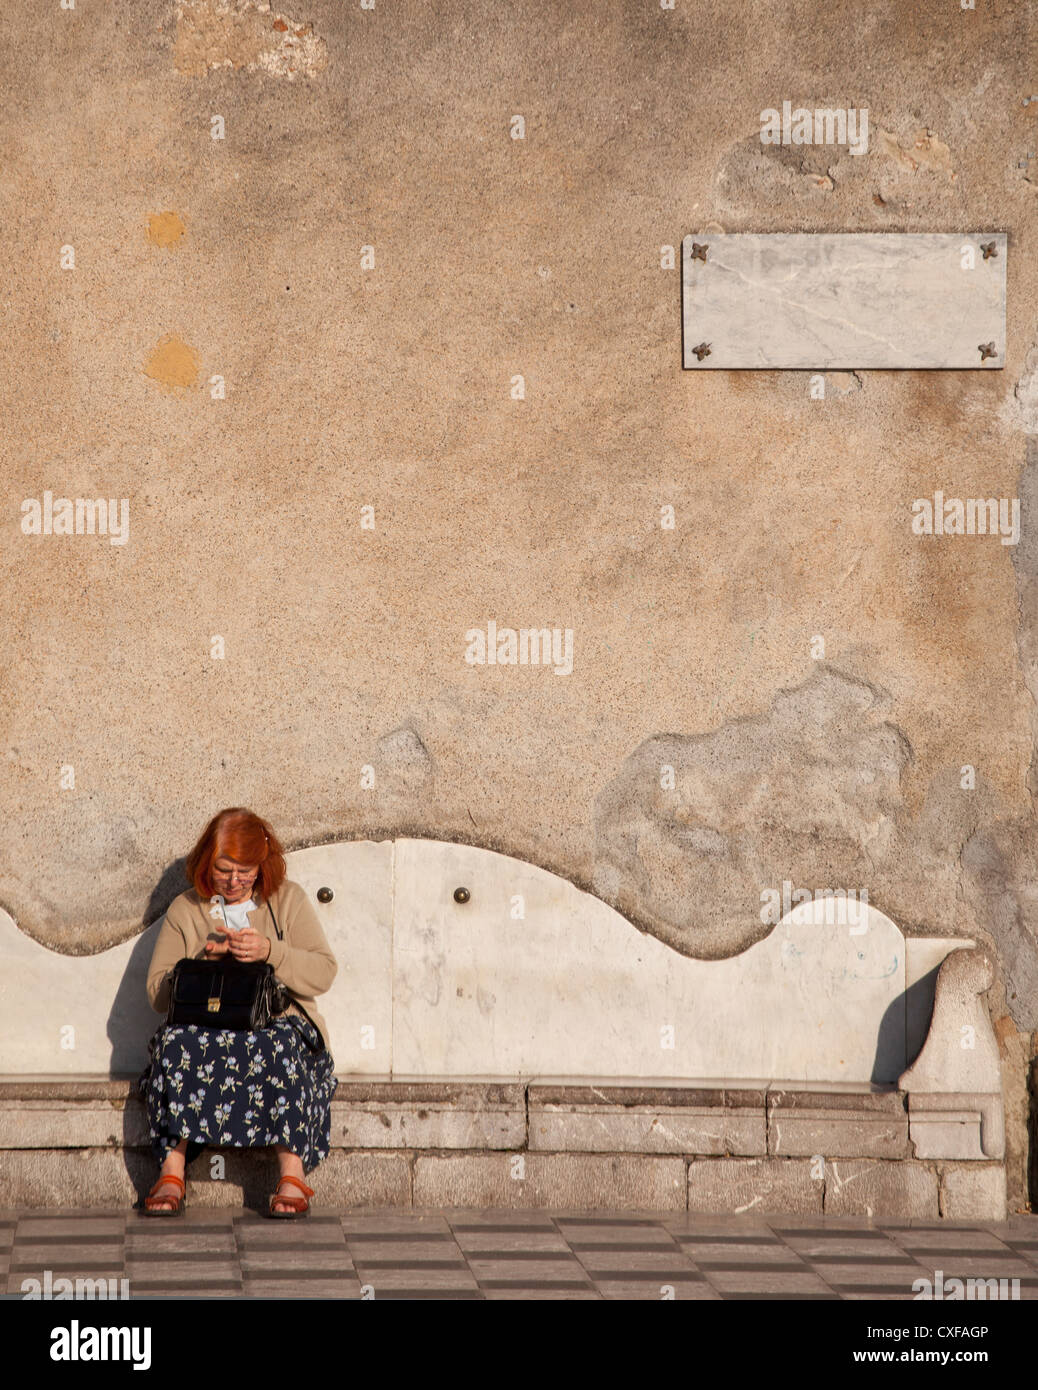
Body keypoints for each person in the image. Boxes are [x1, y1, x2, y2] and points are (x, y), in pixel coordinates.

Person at [138, 808, 338, 1217]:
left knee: (280, 1045)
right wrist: (202, 963)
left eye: (244, 871)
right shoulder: (186, 909)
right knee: (175, 1044)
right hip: (208, 1028)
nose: (232, 881)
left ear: (261, 865)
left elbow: (323, 973)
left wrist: (270, 952)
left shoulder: (288, 900)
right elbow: (157, 994)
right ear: (205, 864)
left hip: (275, 1024)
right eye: (223, 870)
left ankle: (292, 1172)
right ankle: (172, 1169)